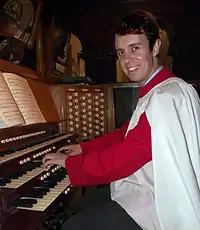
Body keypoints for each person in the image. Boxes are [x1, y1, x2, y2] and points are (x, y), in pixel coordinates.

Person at [43, 10, 200, 230]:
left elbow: (123, 158)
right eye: (120, 52)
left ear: (154, 48)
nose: (127, 61)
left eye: (135, 48)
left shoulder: (166, 98)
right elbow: (124, 134)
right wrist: (83, 148)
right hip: (150, 186)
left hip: (158, 204)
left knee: (73, 225)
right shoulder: (164, 88)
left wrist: (69, 164)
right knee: (76, 207)